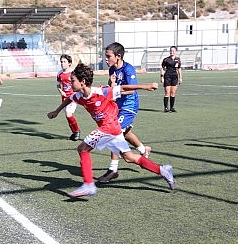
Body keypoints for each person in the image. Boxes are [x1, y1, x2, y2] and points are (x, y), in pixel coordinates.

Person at [47, 63, 175, 197]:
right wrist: (56, 112)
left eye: (72, 81)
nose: (70, 83)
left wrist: (146, 86)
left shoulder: (101, 91)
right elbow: (69, 99)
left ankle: (89, 185)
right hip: (113, 129)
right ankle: (162, 170)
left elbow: (124, 88)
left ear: (83, 82)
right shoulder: (79, 96)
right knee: (129, 157)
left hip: (109, 128)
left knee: (82, 149)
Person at [98, 42, 152, 184]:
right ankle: (143, 149)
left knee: (114, 132)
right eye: (106, 56)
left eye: (108, 56)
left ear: (118, 56)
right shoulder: (112, 70)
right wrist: (111, 84)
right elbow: (112, 88)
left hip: (129, 106)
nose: (106, 59)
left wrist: (117, 88)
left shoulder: (128, 69)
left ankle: (113, 170)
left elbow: (132, 90)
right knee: (125, 132)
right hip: (117, 106)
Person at [56, 54, 80, 141]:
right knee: (67, 116)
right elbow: (58, 85)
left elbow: (78, 84)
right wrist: (61, 92)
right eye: (61, 62)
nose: (62, 63)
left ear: (69, 63)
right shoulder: (60, 73)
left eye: (64, 62)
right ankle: (74, 133)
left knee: (68, 114)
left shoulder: (73, 73)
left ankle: (77, 132)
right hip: (64, 98)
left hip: (73, 97)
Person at [161, 45, 182, 113]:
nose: (171, 52)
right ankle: (166, 108)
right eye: (171, 51)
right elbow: (163, 68)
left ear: (175, 51)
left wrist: (180, 77)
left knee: (173, 93)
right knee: (167, 92)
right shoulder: (166, 59)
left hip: (175, 77)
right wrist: (161, 77)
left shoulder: (178, 59)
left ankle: (172, 107)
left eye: (173, 51)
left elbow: (179, 68)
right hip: (167, 76)